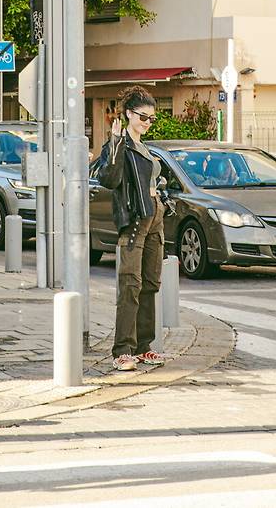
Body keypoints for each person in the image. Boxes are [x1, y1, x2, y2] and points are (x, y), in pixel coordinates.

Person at [97, 85, 166, 372]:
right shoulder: (120, 146)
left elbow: (152, 180)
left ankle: (143, 347)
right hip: (135, 220)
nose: (147, 123)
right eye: (142, 117)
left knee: (150, 282)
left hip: (155, 216)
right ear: (128, 114)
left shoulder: (146, 149)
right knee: (130, 285)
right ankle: (122, 350)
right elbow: (108, 179)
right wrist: (114, 141)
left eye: (151, 118)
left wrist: (162, 195)